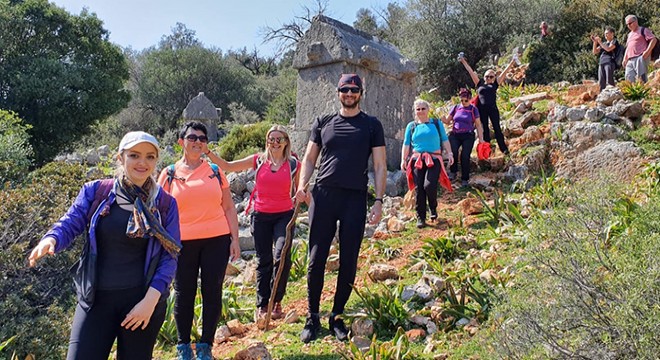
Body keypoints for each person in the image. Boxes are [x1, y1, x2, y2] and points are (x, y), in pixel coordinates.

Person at [28, 131, 181, 360]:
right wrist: (51, 239)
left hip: (142, 303)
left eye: (150, 157)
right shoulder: (96, 192)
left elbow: (170, 255)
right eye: (134, 155)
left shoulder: (165, 204)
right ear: (120, 158)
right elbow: (71, 221)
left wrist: (149, 302)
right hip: (95, 301)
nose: (142, 162)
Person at [294, 73, 386, 343]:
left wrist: (378, 201)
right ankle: (312, 316)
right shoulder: (323, 122)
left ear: (361, 92)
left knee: (349, 259)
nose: (349, 93)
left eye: (353, 89)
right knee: (315, 259)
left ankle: (336, 315)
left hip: (355, 198)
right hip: (323, 196)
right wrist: (303, 184)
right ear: (338, 92)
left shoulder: (371, 125)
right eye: (344, 89)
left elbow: (380, 166)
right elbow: (310, 158)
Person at [157, 121, 240, 360]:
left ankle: (205, 347)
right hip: (181, 243)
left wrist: (235, 239)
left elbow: (228, 207)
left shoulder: (215, 170)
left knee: (212, 291)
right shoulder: (169, 174)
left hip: (217, 239)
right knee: (184, 292)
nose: (197, 142)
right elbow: (159, 212)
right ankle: (184, 347)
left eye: (202, 139)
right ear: (181, 142)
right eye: (192, 137)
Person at [206, 125, 300, 323]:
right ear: (267, 141)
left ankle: (276, 300)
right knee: (263, 260)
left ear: (286, 142)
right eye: (271, 139)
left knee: (281, 255)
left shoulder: (293, 164)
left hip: (284, 214)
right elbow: (228, 166)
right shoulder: (258, 160)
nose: (274, 143)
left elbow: (298, 190)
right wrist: (207, 152)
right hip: (260, 215)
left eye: (279, 139)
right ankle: (262, 304)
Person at [401, 99, 454, 228]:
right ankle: (421, 217)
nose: (420, 111)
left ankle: (433, 207)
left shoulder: (436, 123)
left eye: (423, 108)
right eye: (418, 109)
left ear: (428, 109)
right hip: (417, 160)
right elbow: (406, 144)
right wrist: (403, 159)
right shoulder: (411, 126)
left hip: (434, 159)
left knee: (429, 185)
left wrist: (450, 153)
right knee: (419, 188)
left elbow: (444, 139)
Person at [459, 55, 515, 156]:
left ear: (494, 78)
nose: (488, 78)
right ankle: (487, 152)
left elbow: (504, 72)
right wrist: (463, 61)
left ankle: (504, 150)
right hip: (481, 110)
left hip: (493, 109)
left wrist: (512, 62)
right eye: (486, 76)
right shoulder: (479, 83)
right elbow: (471, 72)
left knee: (497, 129)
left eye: (491, 76)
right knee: (485, 130)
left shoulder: (495, 84)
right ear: (484, 77)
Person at [442, 88, 485, 187]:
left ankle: (465, 178)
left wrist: (481, 139)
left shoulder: (473, 109)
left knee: (465, 156)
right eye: (462, 100)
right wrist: (443, 119)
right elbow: (448, 121)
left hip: (468, 135)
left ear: (470, 99)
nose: (464, 102)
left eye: (466, 100)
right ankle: (453, 171)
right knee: (453, 152)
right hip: (455, 134)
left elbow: (478, 125)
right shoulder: (456, 108)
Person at [622, 15, 657, 83]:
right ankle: (633, 94)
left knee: (641, 78)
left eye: (630, 23)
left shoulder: (643, 30)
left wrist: (647, 52)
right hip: (630, 60)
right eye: (627, 24)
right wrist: (624, 58)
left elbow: (653, 40)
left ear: (636, 21)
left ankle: (644, 93)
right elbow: (628, 47)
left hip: (640, 57)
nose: (629, 25)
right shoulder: (629, 35)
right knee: (629, 78)